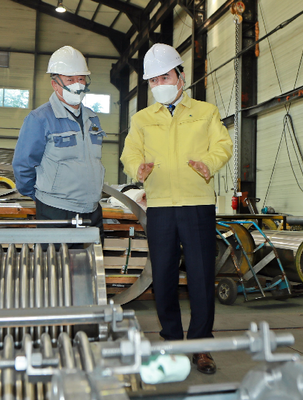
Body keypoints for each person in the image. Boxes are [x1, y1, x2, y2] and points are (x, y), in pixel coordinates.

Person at [120, 44, 233, 374]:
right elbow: (130, 153)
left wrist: (208, 164)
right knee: (164, 278)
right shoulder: (142, 119)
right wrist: (136, 169)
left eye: (165, 77)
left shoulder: (205, 112)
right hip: (160, 207)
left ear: (181, 76)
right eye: (153, 81)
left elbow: (223, 145)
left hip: (197, 205)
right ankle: (171, 339)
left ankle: (201, 346)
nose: (160, 85)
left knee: (200, 276)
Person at [12, 46, 106, 246]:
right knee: (54, 272)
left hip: (91, 209)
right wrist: (42, 197)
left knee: (90, 271)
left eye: (81, 79)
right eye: (70, 80)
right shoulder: (39, 119)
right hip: (55, 211)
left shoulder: (92, 118)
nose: (78, 85)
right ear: (55, 84)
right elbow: (23, 165)